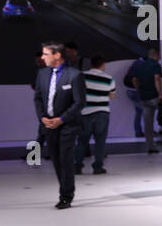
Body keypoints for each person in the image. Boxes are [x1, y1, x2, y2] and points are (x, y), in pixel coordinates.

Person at [34, 43, 86, 209]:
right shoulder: (41, 74)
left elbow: (80, 102)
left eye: (45, 54)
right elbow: (37, 99)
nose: (42, 57)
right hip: (48, 125)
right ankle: (64, 189)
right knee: (56, 160)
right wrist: (42, 117)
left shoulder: (75, 75)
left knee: (65, 160)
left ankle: (66, 195)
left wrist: (61, 119)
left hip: (67, 125)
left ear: (57, 55)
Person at [76, 54, 115, 175]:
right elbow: (112, 96)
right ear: (103, 65)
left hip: (85, 112)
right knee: (100, 141)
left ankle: (77, 167)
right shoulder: (109, 78)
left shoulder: (81, 76)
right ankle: (98, 167)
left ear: (91, 64)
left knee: (82, 141)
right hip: (102, 113)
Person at [129, 47, 162, 153]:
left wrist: (138, 89)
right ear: (155, 56)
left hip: (143, 97)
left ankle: (150, 146)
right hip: (154, 96)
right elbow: (157, 79)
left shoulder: (140, 65)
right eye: (159, 56)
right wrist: (160, 94)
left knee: (148, 123)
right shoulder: (156, 65)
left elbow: (134, 79)